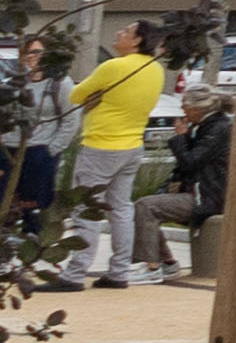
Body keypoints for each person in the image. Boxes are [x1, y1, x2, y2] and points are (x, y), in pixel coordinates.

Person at [59, 18, 175, 284]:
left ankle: (75, 273)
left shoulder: (113, 66)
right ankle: (119, 270)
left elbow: (75, 96)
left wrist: (93, 99)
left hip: (101, 144)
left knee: (86, 208)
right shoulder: (154, 69)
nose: (119, 33)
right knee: (121, 209)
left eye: (126, 31)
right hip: (132, 145)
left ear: (137, 40)